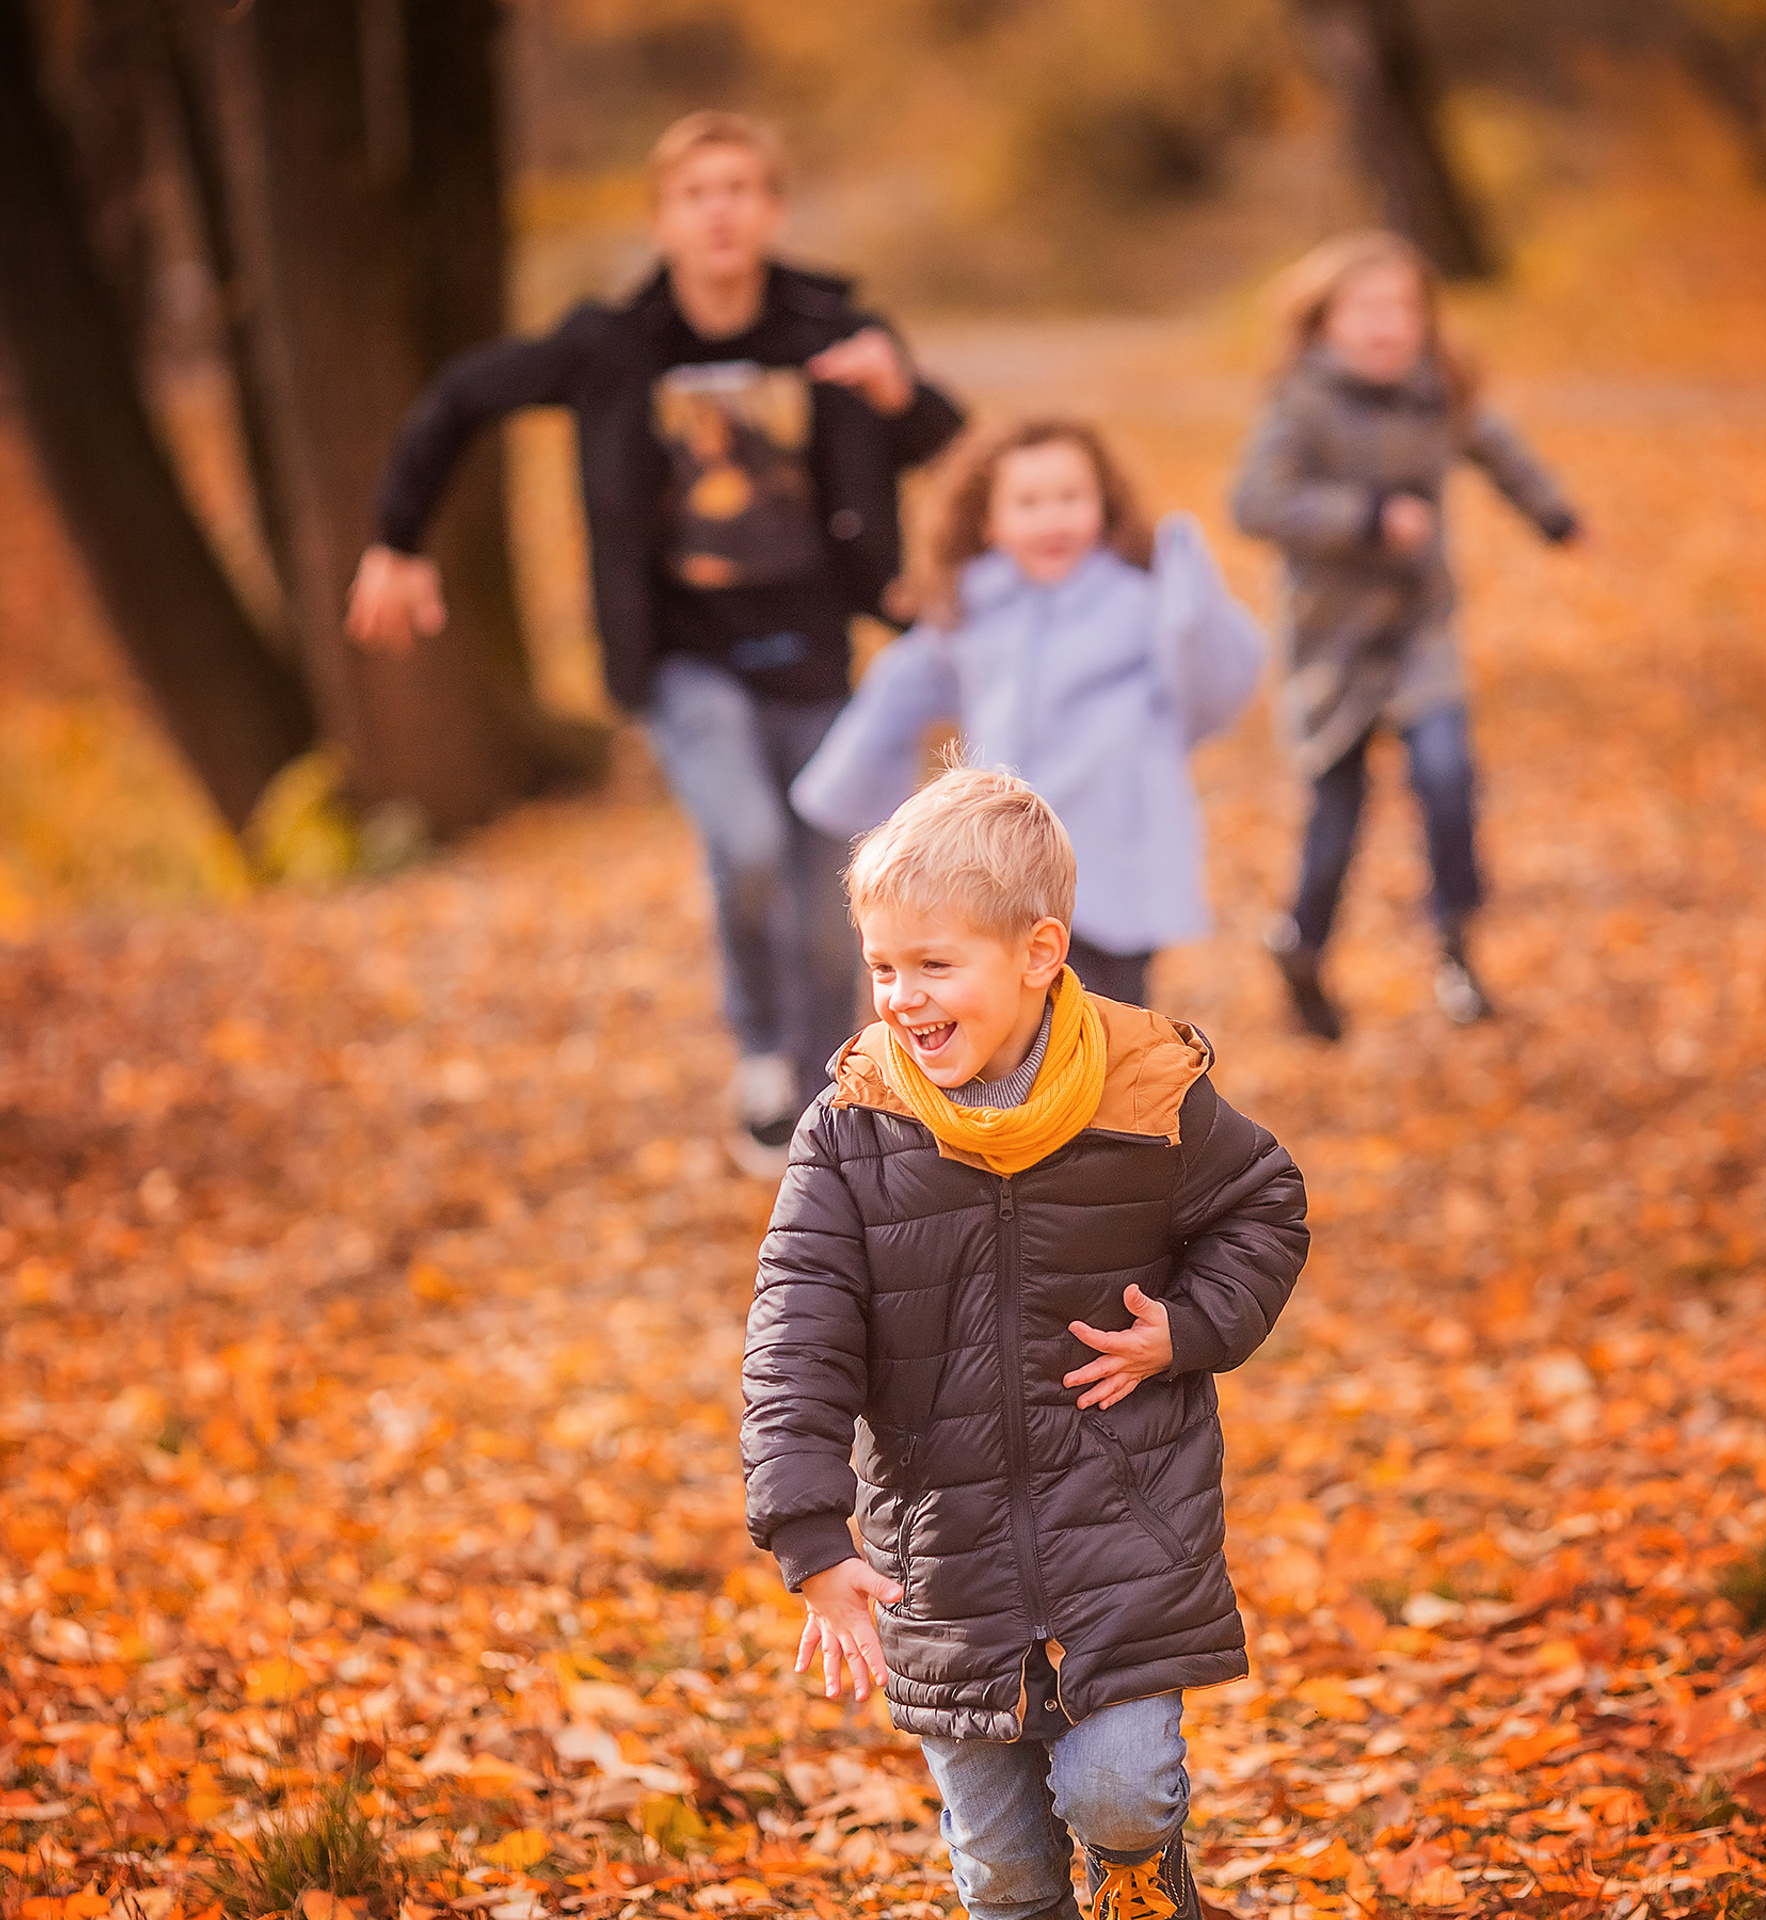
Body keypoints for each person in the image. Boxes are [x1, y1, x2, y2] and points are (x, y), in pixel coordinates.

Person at [345, 111, 965, 1173]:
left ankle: (838, 1079)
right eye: (695, 193)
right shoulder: (612, 345)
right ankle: (763, 1056)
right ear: (663, 219)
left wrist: (904, 394)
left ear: (771, 211)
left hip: (819, 655)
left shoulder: (831, 330)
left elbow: (949, 442)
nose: (719, 210)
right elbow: (458, 397)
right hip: (683, 664)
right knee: (750, 845)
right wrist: (398, 540)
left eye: (739, 189)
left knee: (841, 893)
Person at [741, 767, 1308, 1920]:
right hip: (942, 1557)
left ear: (1039, 954)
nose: (901, 996)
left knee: (1122, 1794)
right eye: (884, 966)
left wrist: (1187, 1328)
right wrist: (807, 1531)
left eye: (934, 965)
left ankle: (1153, 1881)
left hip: (1121, 1522)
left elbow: (1264, 1204)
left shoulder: (1145, 1093)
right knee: (999, 1868)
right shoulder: (855, 1128)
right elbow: (795, 1328)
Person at [1230, 228, 1582, 1042]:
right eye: (1367, 309)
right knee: (1336, 815)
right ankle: (1302, 949)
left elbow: (1499, 449)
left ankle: (1457, 949)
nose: (1388, 324)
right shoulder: (1299, 406)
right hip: (1334, 643)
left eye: (1403, 308)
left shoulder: (1437, 394)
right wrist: (1364, 517)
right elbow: (1254, 503)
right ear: (1324, 324)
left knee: (1447, 775)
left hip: (1421, 631)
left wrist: (1555, 518)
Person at [790, 419, 1263, 1010]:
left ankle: (1109, 1102)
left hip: (1114, 852)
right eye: (1029, 503)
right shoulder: (975, 609)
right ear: (991, 523)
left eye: (1070, 499)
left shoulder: (1138, 603)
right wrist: (843, 790)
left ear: (1102, 508)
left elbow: (1214, 684)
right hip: (1003, 860)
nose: (1052, 519)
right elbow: (903, 686)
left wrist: (1191, 598)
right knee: (1013, 1018)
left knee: (1108, 1021)